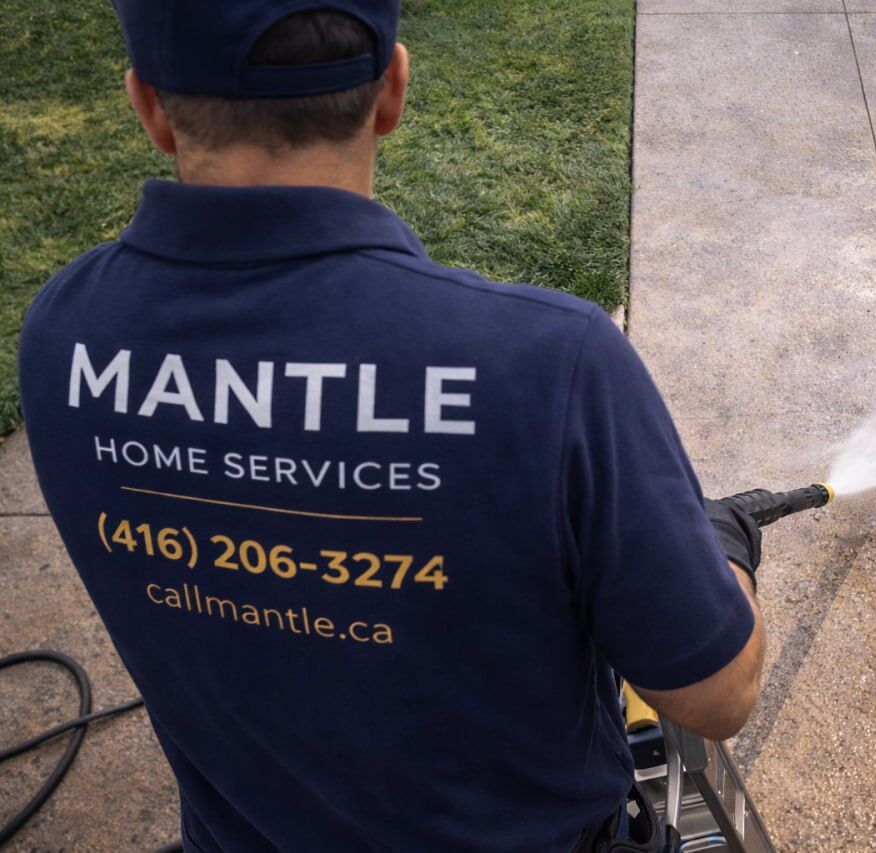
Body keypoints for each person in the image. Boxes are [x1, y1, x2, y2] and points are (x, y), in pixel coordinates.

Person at [17, 2, 767, 850]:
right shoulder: (547, 364)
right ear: (393, 92)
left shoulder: (63, 336)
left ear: (148, 104)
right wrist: (719, 548)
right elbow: (717, 693)